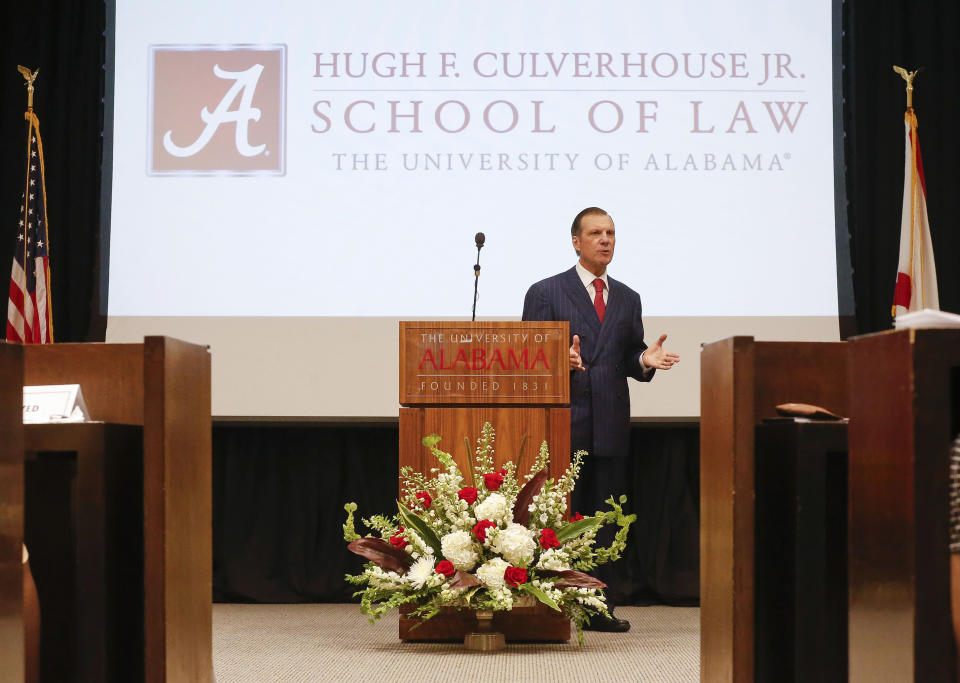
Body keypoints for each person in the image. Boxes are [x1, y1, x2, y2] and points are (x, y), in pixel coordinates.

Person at [522, 206, 679, 632]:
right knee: (558, 518)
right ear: (577, 241)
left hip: (609, 425)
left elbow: (629, 354)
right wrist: (558, 359)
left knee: (604, 521)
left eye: (610, 233)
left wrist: (644, 359)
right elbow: (526, 358)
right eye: (595, 233)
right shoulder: (545, 292)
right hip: (562, 425)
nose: (605, 240)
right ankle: (549, 604)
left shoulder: (628, 297)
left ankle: (597, 606)